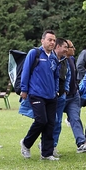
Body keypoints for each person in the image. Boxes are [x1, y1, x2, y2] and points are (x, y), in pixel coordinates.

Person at [19, 30, 59, 160]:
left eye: (54, 40)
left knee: (50, 123)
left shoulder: (54, 57)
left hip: (51, 96)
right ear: (42, 41)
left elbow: (56, 76)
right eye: (49, 40)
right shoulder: (34, 53)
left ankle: (47, 153)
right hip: (36, 94)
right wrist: (24, 89)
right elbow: (25, 71)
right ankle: (26, 143)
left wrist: (56, 90)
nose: (52, 42)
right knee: (41, 120)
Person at [63, 39, 86, 153]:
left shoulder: (72, 59)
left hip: (73, 95)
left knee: (75, 119)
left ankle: (81, 143)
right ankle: (47, 145)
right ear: (65, 48)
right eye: (72, 47)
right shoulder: (57, 60)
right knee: (54, 122)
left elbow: (74, 76)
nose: (74, 49)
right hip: (61, 96)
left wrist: (76, 89)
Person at [51, 38, 71, 157]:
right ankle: (46, 144)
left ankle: (53, 146)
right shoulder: (50, 59)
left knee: (58, 122)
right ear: (57, 46)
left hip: (62, 95)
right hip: (51, 96)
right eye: (65, 47)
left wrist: (66, 91)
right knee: (49, 121)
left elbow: (67, 75)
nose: (66, 50)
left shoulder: (65, 60)